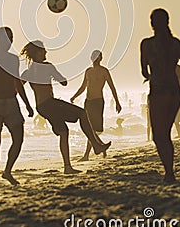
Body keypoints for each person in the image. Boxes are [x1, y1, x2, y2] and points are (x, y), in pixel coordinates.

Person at [20, 40, 112, 174]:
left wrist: (28, 105)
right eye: (44, 50)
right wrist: (54, 75)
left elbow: (17, 87)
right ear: (38, 52)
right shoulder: (47, 66)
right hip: (50, 103)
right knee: (81, 113)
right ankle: (96, 145)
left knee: (64, 132)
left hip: (41, 107)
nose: (46, 52)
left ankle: (68, 167)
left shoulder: (28, 72)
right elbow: (64, 82)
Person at [140, 8, 180, 183]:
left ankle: (169, 172)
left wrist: (149, 75)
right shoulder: (175, 43)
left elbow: (144, 70)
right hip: (174, 93)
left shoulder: (146, 44)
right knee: (165, 133)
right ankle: (169, 173)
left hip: (158, 92)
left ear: (152, 24)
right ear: (167, 22)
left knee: (160, 137)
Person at [0, 27, 33, 188]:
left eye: (11, 38)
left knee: (18, 139)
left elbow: (16, 82)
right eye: (6, 38)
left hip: (11, 102)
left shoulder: (13, 59)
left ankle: (7, 171)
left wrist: (27, 104)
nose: (9, 41)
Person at [70, 50, 121, 161]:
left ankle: (92, 151)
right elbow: (83, 87)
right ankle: (97, 149)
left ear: (100, 58)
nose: (95, 59)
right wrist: (74, 97)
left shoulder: (104, 71)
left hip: (98, 101)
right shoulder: (88, 71)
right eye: (94, 56)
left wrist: (117, 102)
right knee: (89, 127)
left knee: (95, 128)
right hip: (88, 102)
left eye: (98, 57)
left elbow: (112, 87)